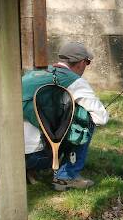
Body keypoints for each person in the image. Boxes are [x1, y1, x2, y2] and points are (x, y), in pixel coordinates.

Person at [23, 42, 108, 191]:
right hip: (38, 158)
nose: (86, 66)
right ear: (81, 63)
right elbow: (101, 118)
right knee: (86, 120)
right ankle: (66, 176)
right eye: (87, 62)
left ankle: (27, 170)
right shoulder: (74, 80)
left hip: (11, 154)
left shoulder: (34, 73)